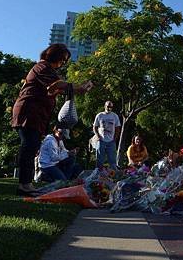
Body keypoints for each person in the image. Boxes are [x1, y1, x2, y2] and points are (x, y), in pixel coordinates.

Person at [11, 43, 93, 196]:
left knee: (32, 146)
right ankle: (24, 185)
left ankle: (26, 184)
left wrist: (78, 89)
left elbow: (57, 88)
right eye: (63, 60)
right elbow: (56, 85)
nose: (63, 63)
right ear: (56, 56)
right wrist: (75, 87)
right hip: (29, 112)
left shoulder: (47, 70)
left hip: (36, 115)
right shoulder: (42, 67)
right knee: (29, 146)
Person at [92, 101, 121, 169]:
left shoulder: (115, 116)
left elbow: (118, 128)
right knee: (100, 159)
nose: (109, 108)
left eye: (111, 107)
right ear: (105, 106)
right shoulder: (100, 115)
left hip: (111, 141)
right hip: (101, 140)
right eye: (108, 106)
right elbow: (94, 127)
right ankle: (99, 174)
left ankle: (114, 174)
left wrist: (115, 138)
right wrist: (98, 136)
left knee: (112, 160)